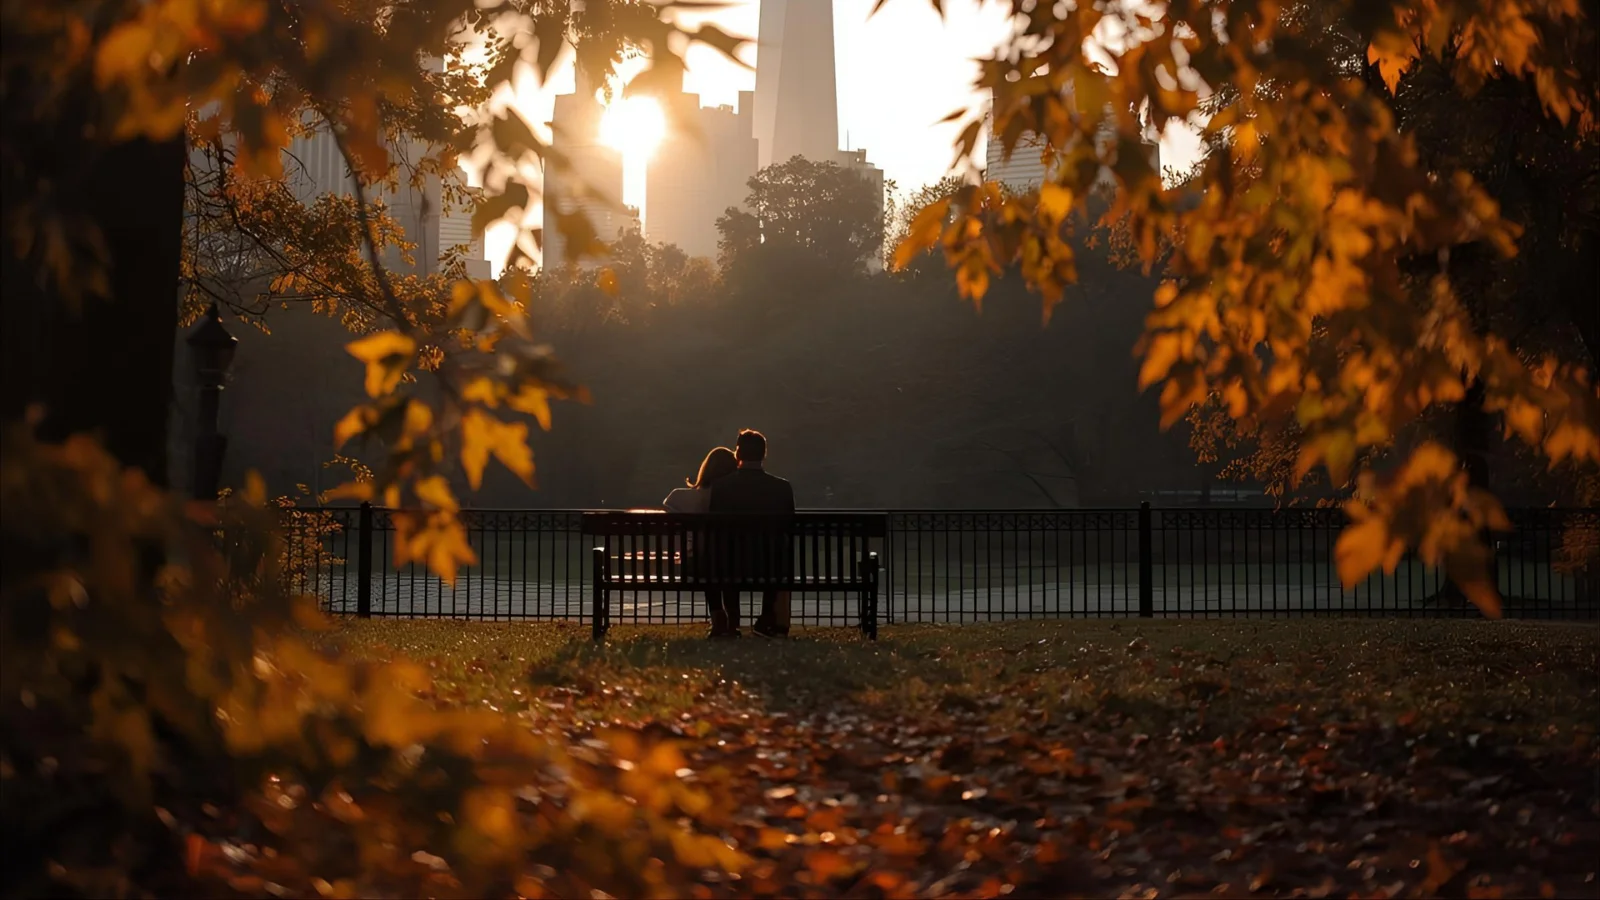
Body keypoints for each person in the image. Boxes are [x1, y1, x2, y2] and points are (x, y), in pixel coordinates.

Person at [708, 429, 796, 638]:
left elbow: (715, 528)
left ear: (738, 454)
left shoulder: (722, 487)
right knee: (774, 554)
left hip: (730, 565)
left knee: (726, 553)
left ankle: (731, 623)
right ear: (764, 454)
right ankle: (766, 619)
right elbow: (788, 527)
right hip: (770, 566)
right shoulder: (782, 487)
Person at [663, 446, 739, 637]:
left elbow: (668, 511)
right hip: (735, 566)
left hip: (696, 567)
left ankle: (718, 618)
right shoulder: (735, 500)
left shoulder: (679, 497)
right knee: (726, 563)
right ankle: (732, 622)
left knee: (706, 560)